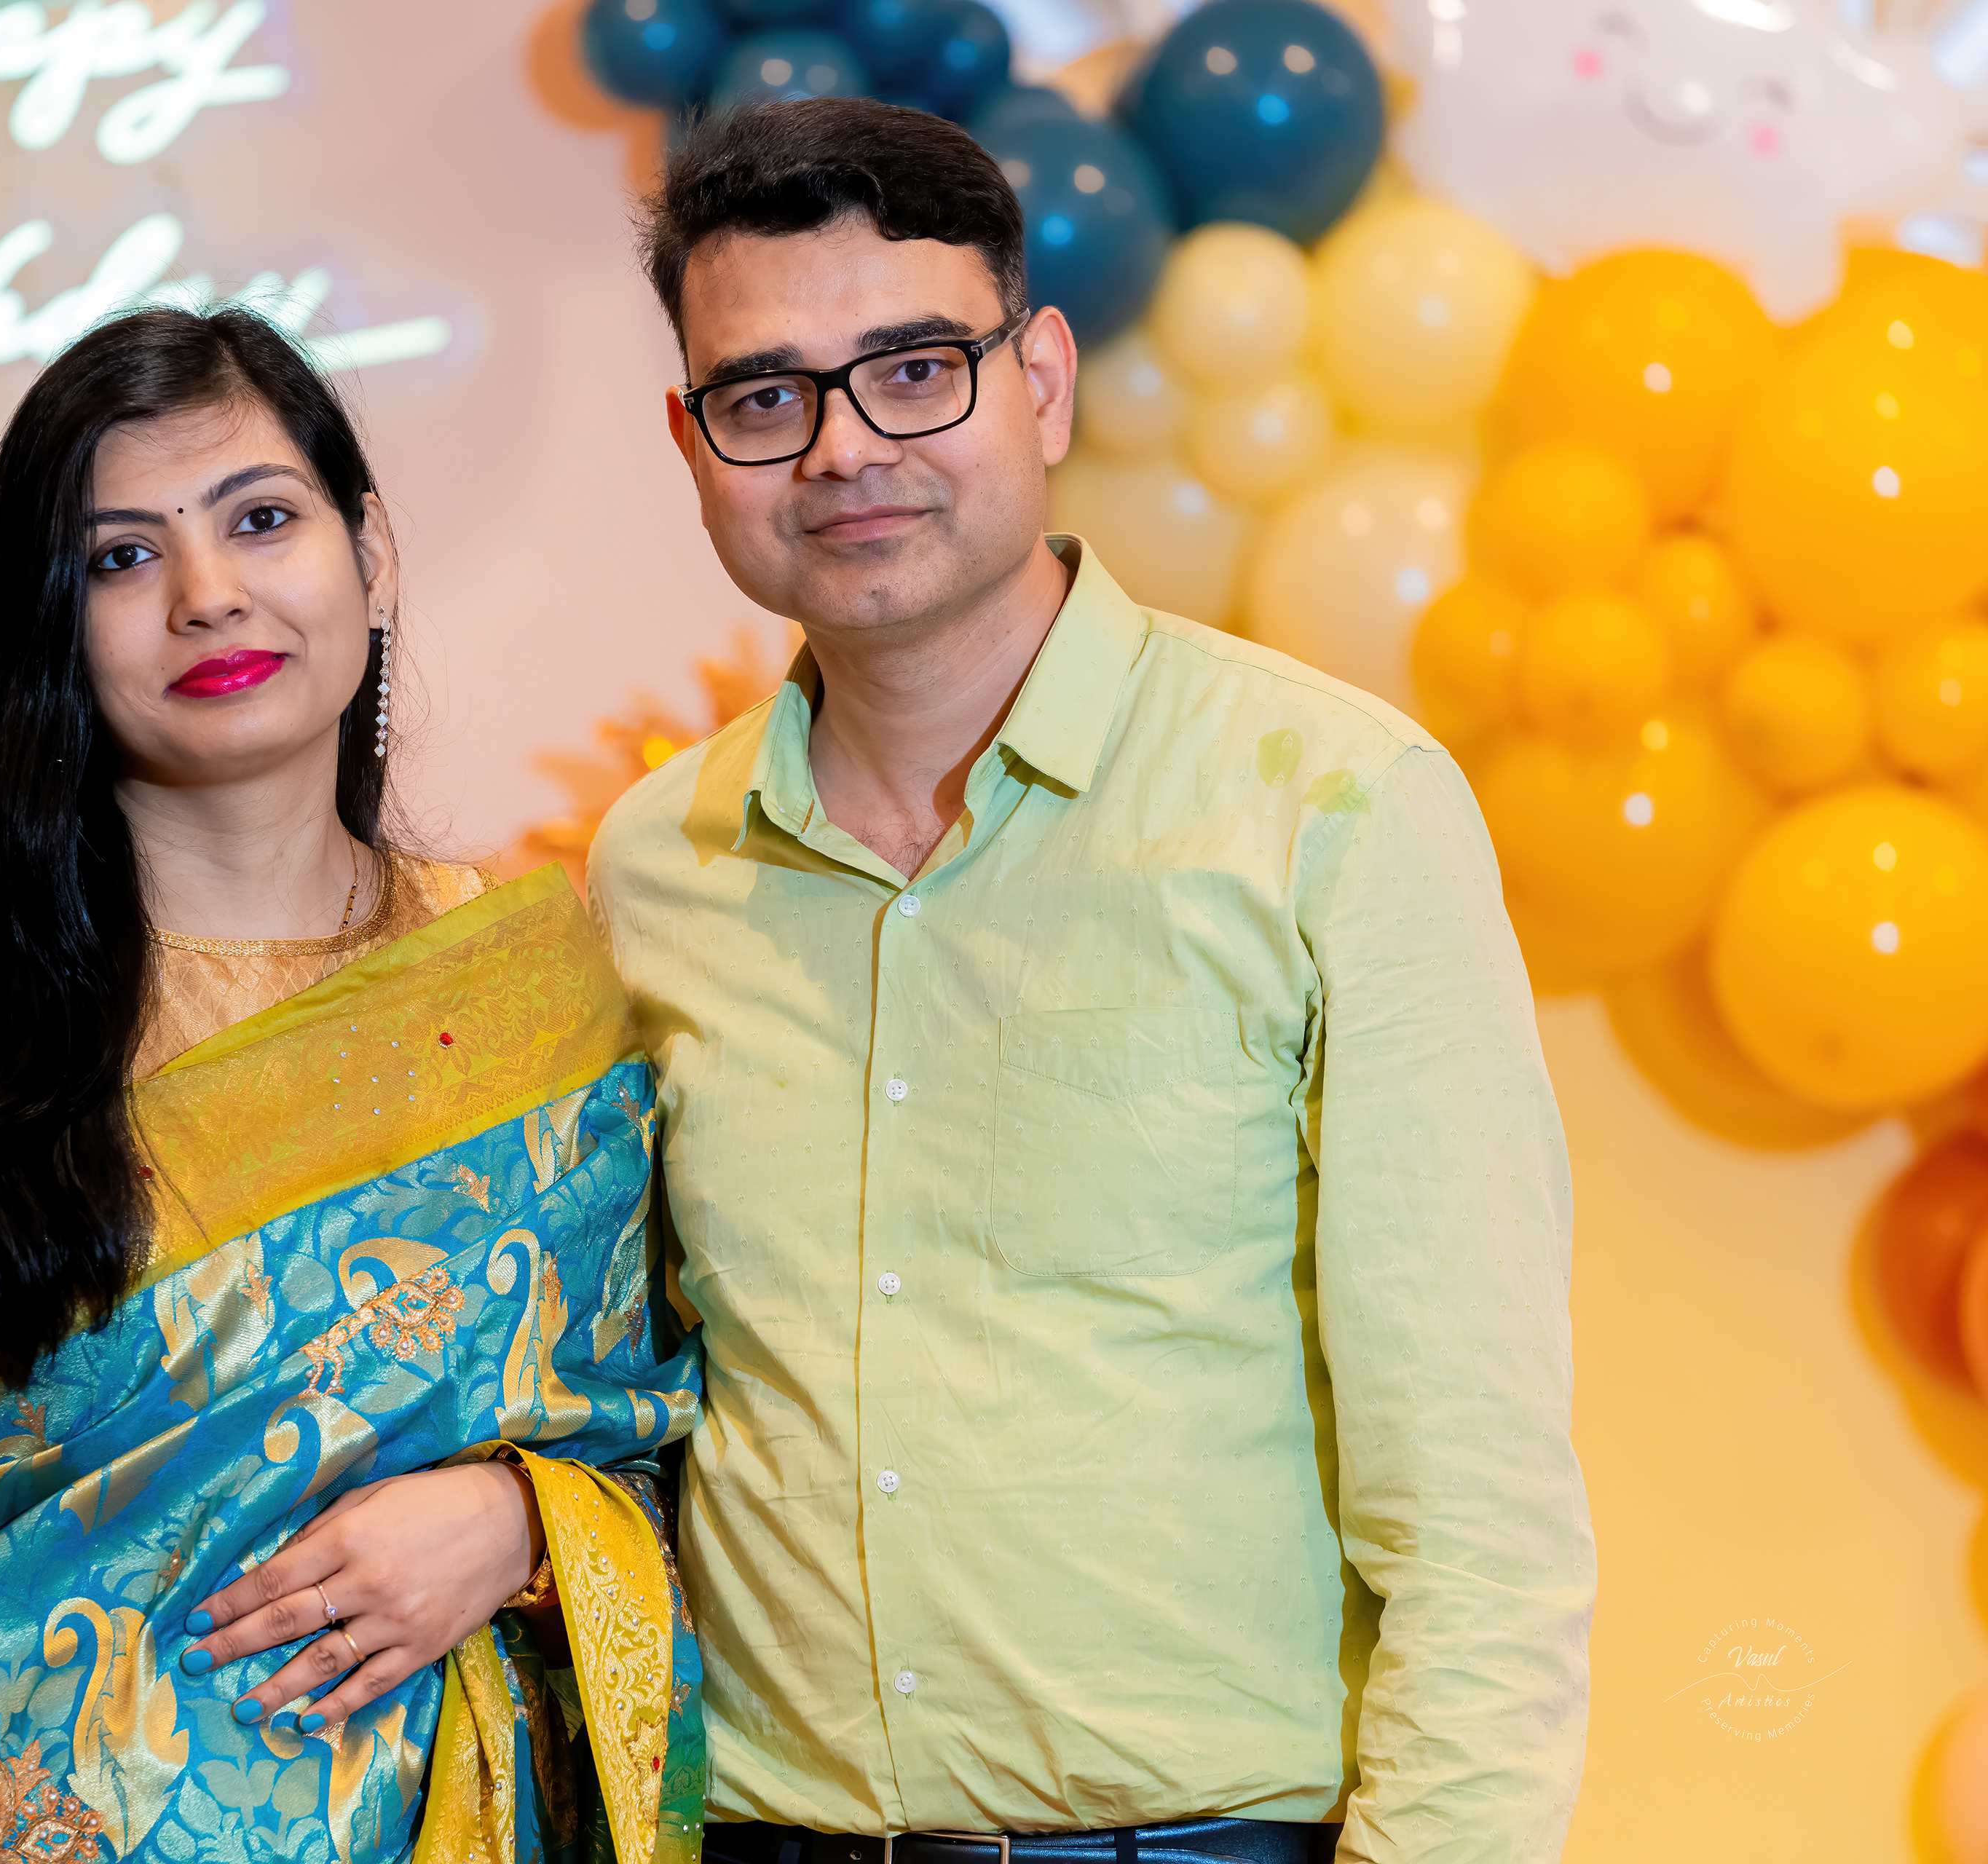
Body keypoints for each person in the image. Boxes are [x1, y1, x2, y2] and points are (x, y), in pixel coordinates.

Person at [586, 100, 1595, 1864]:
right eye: (766, 397)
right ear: (693, 442)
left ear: (1041, 381)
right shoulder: (653, 868)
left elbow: (1479, 1510)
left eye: (916, 371)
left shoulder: (1331, 802)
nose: (844, 449)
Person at [0, 305, 703, 1864]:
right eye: (122, 557)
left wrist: (519, 1523)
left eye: (260, 519)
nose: (207, 594)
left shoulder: (530, 982)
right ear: (50, 626)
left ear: (369, 554)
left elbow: (694, 1450)